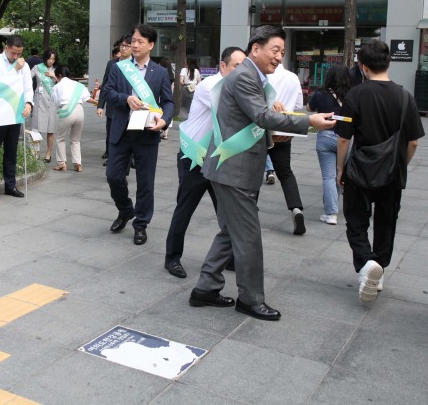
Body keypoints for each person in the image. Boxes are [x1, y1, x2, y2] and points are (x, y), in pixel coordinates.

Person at [190, 25, 335, 321]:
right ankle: (251, 299)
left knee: (231, 232)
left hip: (233, 168)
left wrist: (275, 133)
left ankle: (205, 288)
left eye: (282, 52)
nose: (279, 57)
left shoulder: (251, 76)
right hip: (234, 170)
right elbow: (262, 116)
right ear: (255, 48)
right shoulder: (245, 76)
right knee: (249, 238)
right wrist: (310, 122)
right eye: (275, 50)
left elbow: (253, 119)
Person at [336, 39, 424, 304]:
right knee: (386, 224)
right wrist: (401, 164)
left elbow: (343, 139)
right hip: (392, 173)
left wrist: (341, 168)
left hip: (361, 170)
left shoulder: (355, 95)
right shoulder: (405, 97)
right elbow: (413, 141)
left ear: (362, 66)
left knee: (356, 221)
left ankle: (366, 263)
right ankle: (379, 268)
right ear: (389, 62)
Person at [164, 47, 246, 279]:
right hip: (195, 157)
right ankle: (172, 257)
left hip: (219, 159)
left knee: (227, 211)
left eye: (244, 68)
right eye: (235, 67)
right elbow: (232, 111)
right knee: (185, 208)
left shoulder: (236, 88)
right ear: (222, 66)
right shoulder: (210, 86)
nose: (240, 73)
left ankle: (228, 258)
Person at [102, 24, 175, 246]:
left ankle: (141, 224)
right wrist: (125, 98)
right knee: (113, 176)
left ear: (151, 45)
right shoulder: (119, 67)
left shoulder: (160, 72)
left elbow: (169, 102)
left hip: (147, 134)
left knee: (145, 183)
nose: (134, 45)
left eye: (139, 41)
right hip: (121, 131)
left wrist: (164, 121)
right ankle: (125, 210)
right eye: (132, 41)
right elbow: (107, 91)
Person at [0, 34, 34, 202]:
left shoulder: (23, 65)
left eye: (19, 53)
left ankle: (10, 185)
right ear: (6, 48)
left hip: (15, 112)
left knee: (11, 150)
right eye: (13, 53)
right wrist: (15, 69)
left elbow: (27, 86)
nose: (16, 57)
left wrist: (29, 103)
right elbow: (0, 84)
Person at [264, 63, 308, 235]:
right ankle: (296, 208)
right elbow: (298, 106)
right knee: (286, 173)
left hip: (263, 130)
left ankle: (251, 211)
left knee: (253, 171)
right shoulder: (292, 77)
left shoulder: (263, 76)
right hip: (284, 131)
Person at [308, 65, 352, 225]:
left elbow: (309, 108)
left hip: (325, 137)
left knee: (328, 176)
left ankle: (331, 213)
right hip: (346, 139)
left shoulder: (321, 94)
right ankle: (340, 208)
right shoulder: (352, 95)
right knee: (341, 174)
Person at [51, 65, 98, 172]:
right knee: (76, 139)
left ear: (59, 75)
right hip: (79, 110)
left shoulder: (57, 86)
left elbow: (55, 102)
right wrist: (97, 102)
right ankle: (78, 163)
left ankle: (62, 163)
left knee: (60, 138)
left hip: (66, 110)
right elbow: (87, 98)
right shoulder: (79, 85)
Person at [97, 36, 133, 166]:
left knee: (130, 135)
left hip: (131, 107)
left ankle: (130, 158)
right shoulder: (112, 64)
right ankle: (111, 157)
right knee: (112, 133)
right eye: (122, 46)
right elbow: (105, 85)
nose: (123, 48)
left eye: (126, 46)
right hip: (113, 106)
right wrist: (100, 105)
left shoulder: (135, 65)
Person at [31, 50, 58, 162]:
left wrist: (54, 76)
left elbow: (63, 84)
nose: (51, 61)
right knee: (36, 129)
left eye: (53, 59)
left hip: (51, 103)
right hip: (39, 101)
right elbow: (27, 78)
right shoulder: (37, 67)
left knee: (50, 130)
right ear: (45, 58)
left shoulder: (56, 70)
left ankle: (48, 154)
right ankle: (36, 154)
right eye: (49, 58)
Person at [159, 57, 176, 140]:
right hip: (169, 97)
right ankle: (165, 133)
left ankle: (162, 131)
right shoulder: (171, 76)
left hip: (160, 98)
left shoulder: (161, 74)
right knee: (167, 113)